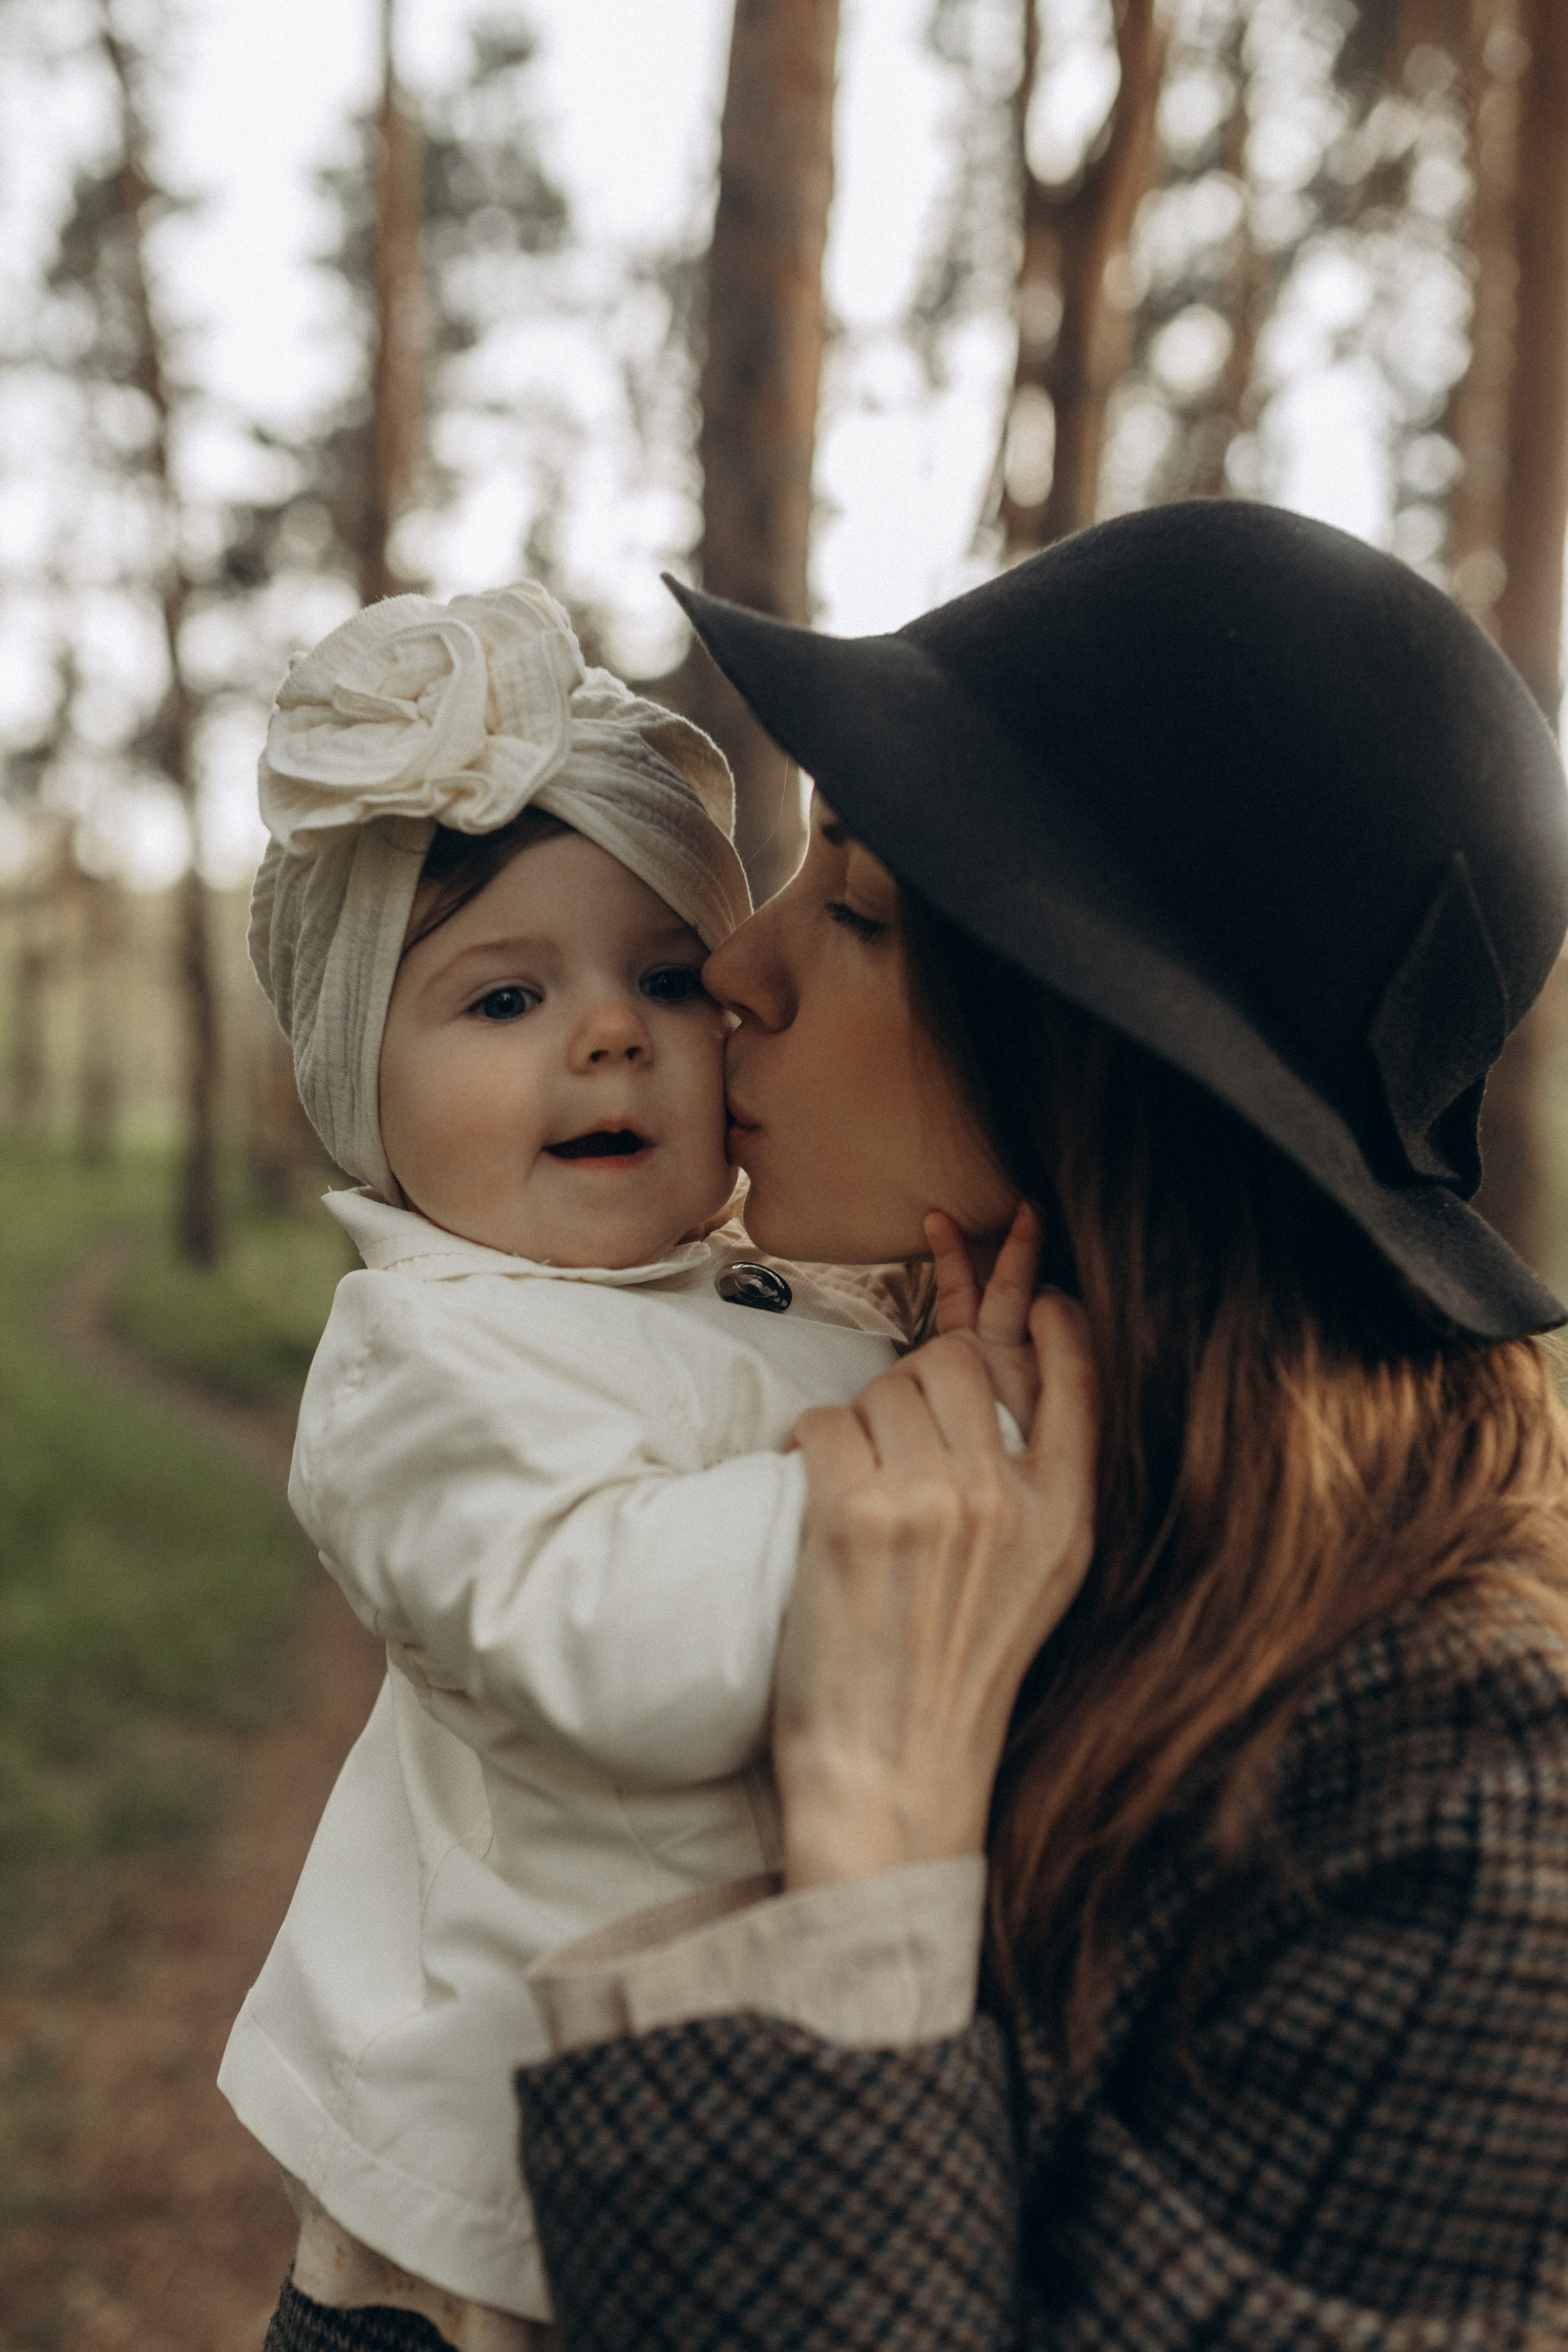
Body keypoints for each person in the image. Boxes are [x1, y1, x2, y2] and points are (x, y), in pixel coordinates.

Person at [496, 502, 1568, 2352]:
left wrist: (879, 1850)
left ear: (1112, 1075)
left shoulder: (1477, 1816)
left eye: (859, 913)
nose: (733, 969)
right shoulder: (885, 1427)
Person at [223, 581, 1031, 2351]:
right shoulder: (428, 1362)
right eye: (504, 996)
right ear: (364, 1085)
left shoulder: (770, 1286)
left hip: (734, 2140)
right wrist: (941, 1453)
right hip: (478, 2242)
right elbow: (617, 1650)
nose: (609, 1033)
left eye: (665, 977)